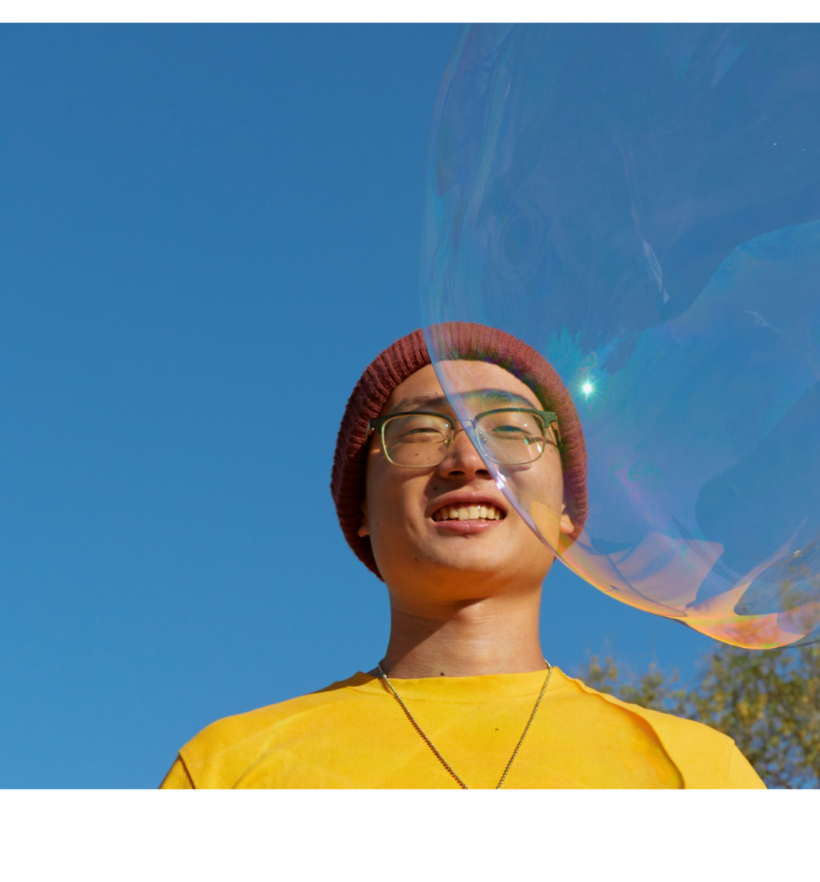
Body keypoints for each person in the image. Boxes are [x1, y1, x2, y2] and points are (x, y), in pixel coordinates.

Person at [158, 323, 766, 791]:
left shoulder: (702, 774)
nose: (468, 460)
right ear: (361, 508)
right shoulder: (227, 771)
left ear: (566, 513)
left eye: (511, 428)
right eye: (420, 430)